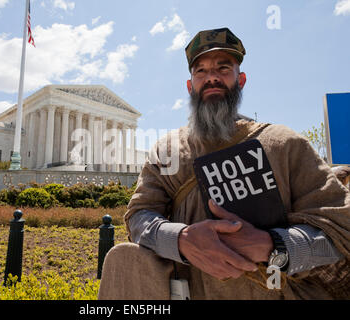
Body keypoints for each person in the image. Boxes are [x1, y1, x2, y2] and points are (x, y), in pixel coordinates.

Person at [98, 27, 350, 300]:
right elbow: (139, 217)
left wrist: (274, 246)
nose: (212, 78)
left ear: (240, 80)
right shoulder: (166, 151)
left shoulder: (285, 144)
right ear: (190, 85)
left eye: (223, 68)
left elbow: (340, 229)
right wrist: (181, 239)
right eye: (201, 71)